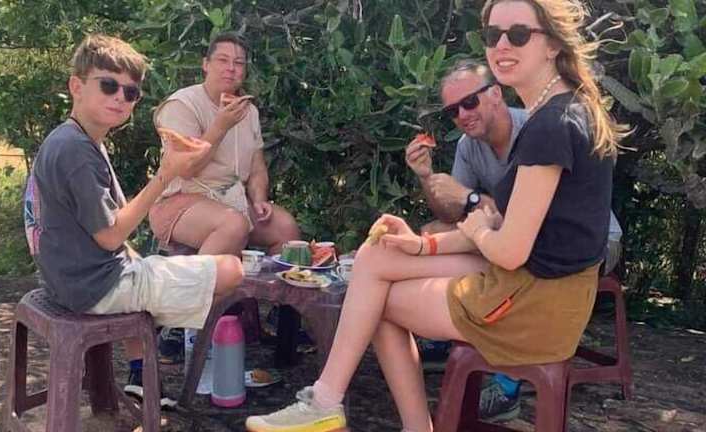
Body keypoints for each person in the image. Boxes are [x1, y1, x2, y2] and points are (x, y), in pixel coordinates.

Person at [244, 0, 627, 429]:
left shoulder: (549, 126)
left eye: (518, 35)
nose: (501, 45)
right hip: (536, 283)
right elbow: (508, 227)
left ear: (552, 44)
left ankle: (354, 410)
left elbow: (508, 248)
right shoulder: (562, 110)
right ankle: (327, 401)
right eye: (492, 35)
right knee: (378, 255)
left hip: (537, 303)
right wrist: (422, 244)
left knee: (377, 305)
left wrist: (478, 226)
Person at [24, 34, 244, 408]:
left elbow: (106, 235)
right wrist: (166, 173)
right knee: (232, 271)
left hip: (67, 280)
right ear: (76, 86)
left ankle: (142, 374)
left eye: (130, 92)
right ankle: (165, 335)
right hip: (94, 287)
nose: (120, 98)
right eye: (108, 85)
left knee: (140, 261)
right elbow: (111, 236)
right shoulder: (77, 151)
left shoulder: (72, 139)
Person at [405, 59, 623, 422]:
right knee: (433, 230)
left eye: (469, 102)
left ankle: (507, 382)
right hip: (521, 240)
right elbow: (454, 215)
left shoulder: (538, 128)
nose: (462, 115)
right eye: (452, 111)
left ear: (495, 94)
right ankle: (450, 335)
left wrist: (471, 200)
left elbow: (524, 220)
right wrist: (427, 177)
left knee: (496, 254)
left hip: (586, 247)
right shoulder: (468, 146)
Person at [149, 32, 300, 257]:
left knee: (285, 227)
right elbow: (187, 169)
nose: (231, 68)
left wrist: (259, 200)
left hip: (232, 200)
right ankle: (199, 280)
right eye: (222, 60)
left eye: (238, 63)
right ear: (206, 64)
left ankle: (266, 282)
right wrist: (220, 126)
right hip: (179, 201)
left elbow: (257, 168)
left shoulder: (249, 111)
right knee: (233, 225)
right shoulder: (181, 105)